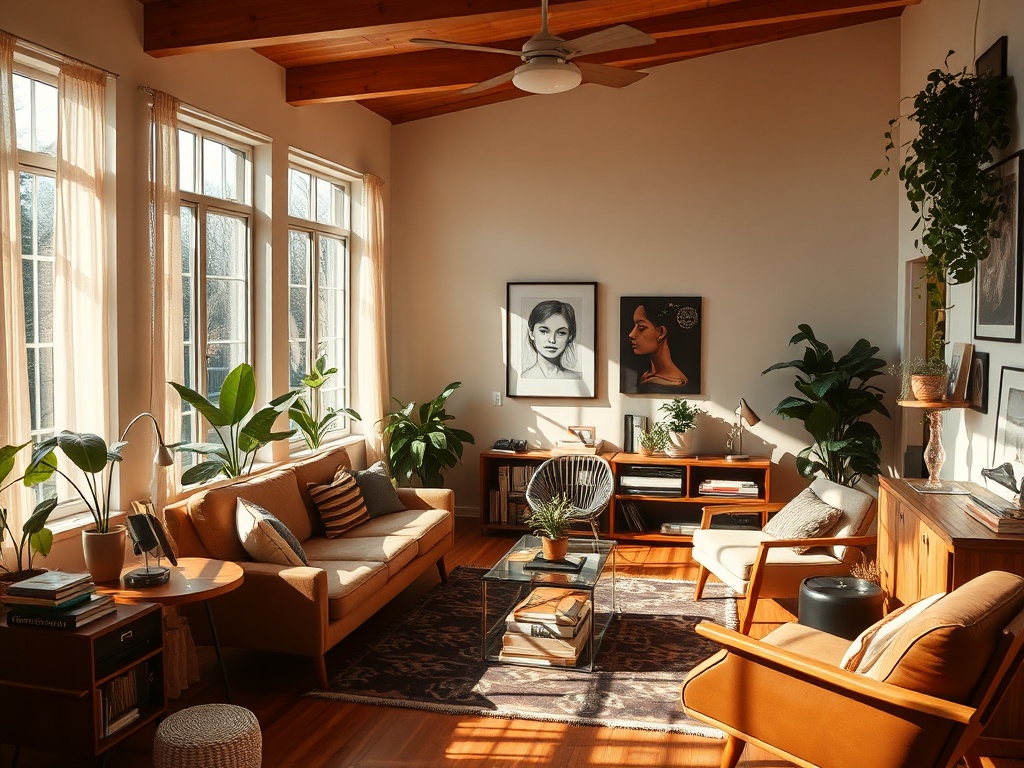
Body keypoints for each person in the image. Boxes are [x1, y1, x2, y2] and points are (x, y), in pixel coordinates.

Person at [628, 301, 688, 394]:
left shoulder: (676, 381)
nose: (631, 334)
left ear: (661, 332)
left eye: (641, 327)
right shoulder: (646, 376)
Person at [521, 300, 582, 380]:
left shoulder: (578, 378)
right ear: (531, 333)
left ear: (570, 336)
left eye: (561, 333)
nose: (552, 340)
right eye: (544, 331)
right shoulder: (523, 378)